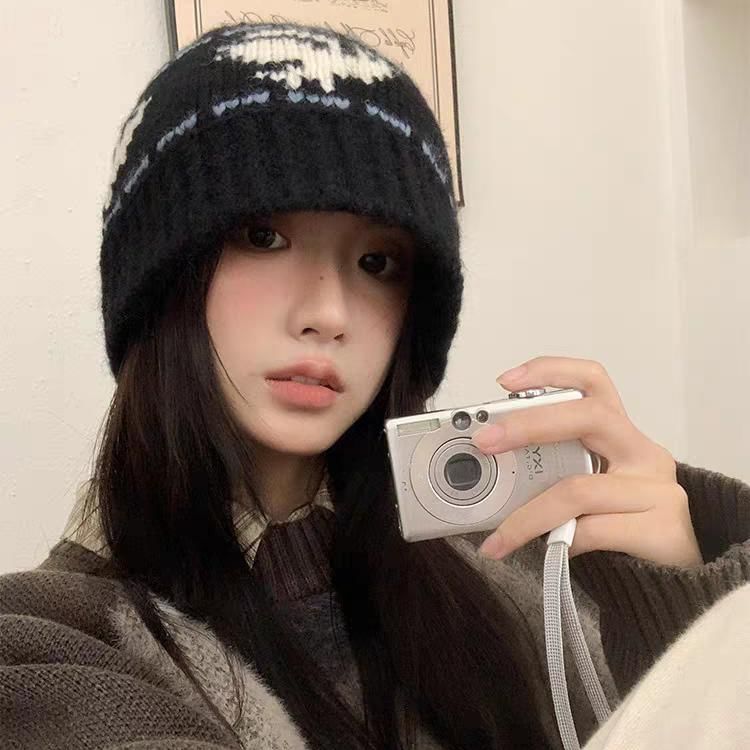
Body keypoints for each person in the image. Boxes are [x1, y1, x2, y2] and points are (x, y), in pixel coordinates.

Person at [1, 20, 748, 750]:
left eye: (377, 263)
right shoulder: (49, 643)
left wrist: (674, 605)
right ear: (163, 281)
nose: (329, 315)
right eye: (264, 237)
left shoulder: (507, 562)